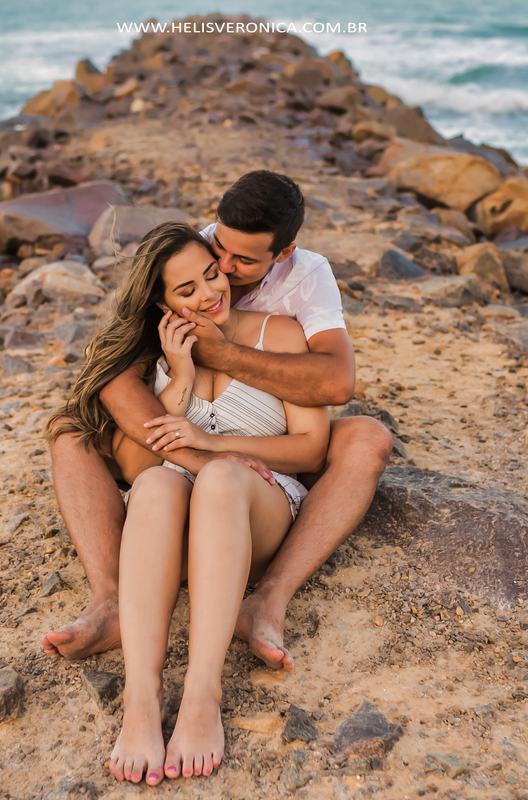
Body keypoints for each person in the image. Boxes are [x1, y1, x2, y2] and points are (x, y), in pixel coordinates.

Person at [43, 170, 393, 672]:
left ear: (283, 252)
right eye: (217, 253)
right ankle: (110, 599)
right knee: (72, 433)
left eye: (240, 262)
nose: (222, 272)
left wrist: (224, 357)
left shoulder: (306, 279)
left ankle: (269, 597)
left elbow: (337, 383)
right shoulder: (195, 250)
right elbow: (116, 373)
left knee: (368, 437)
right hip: (182, 445)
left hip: (266, 446)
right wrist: (199, 448)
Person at [52, 221, 330, 783]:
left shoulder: (278, 335)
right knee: (154, 485)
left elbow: (309, 449)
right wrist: (178, 372)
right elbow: (151, 454)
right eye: (187, 290)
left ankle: (203, 693)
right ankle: (142, 696)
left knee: (223, 478)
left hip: (258, 506)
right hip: (177, 517)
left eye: (211, 275)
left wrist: (215, 446)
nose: (209, 294)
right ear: (160, 302)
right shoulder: (156, 358)